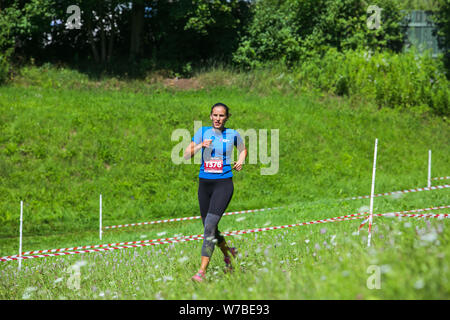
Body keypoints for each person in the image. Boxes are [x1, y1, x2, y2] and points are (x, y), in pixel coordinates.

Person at [184, 102, 247, 282]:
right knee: (209, 227)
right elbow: (186, 154)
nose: (218, 118)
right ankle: (230, 254)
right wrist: (200, 146)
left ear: (226, 117)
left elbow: (243, 150)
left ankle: (201, 272)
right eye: (215, 115)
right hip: (204, 185)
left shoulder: (232, 134)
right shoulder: (202, 132)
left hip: (223, 185)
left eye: (221, 116)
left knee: (209, 227)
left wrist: (241, 160)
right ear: (210, 116)